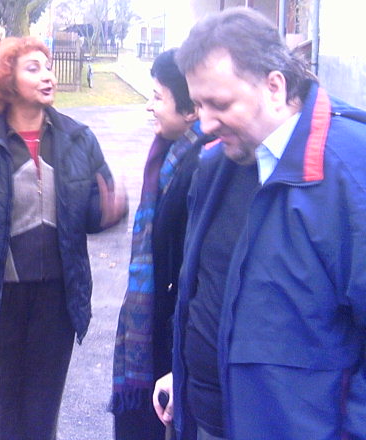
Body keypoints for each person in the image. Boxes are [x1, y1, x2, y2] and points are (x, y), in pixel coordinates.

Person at [152, 7, 366, 440]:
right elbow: (209, 293)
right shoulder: (215, 163)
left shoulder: (352, 174)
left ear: (274, 87)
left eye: (220, 104)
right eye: (198, 104)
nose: (205, 123)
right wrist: (183, 372)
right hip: (205, 420)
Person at [0, 36, 128, 440]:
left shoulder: (77, 138)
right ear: (6, 79)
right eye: (33, 68)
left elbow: (90, 212)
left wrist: (107, 212)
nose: (47, 76)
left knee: (41, 413)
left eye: (48, 67)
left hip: (56, 300)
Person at [111, 49, 212, 440]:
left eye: (157, 97)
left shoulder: (200, 164)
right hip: (158, 333)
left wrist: (177, 361)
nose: (149, 106)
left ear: (190, 110)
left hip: (172, 341)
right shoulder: (171, 154)